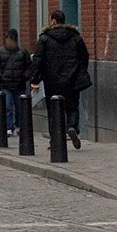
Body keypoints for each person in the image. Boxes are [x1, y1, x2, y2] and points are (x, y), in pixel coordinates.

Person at [31, 10, 91, 149]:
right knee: (72, 107)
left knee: (54, 111)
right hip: (72, 79)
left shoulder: (44, 39)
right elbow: (84, 56)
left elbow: (38, 60)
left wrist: (34, 78)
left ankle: (55, 141)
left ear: (53, 21)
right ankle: (72, 127)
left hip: (51, 81)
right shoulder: (75, 37)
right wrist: (80, 72)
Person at [0, 29, 31, 136]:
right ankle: (9, 127)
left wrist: (25, 77)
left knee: (20, 107)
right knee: (8, 106)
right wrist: (0, 77)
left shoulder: (23, 52)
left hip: (19, 84)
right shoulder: (0, 52)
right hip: (6, 84)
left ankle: (18, 125)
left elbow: (29, 67)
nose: (8, 41)